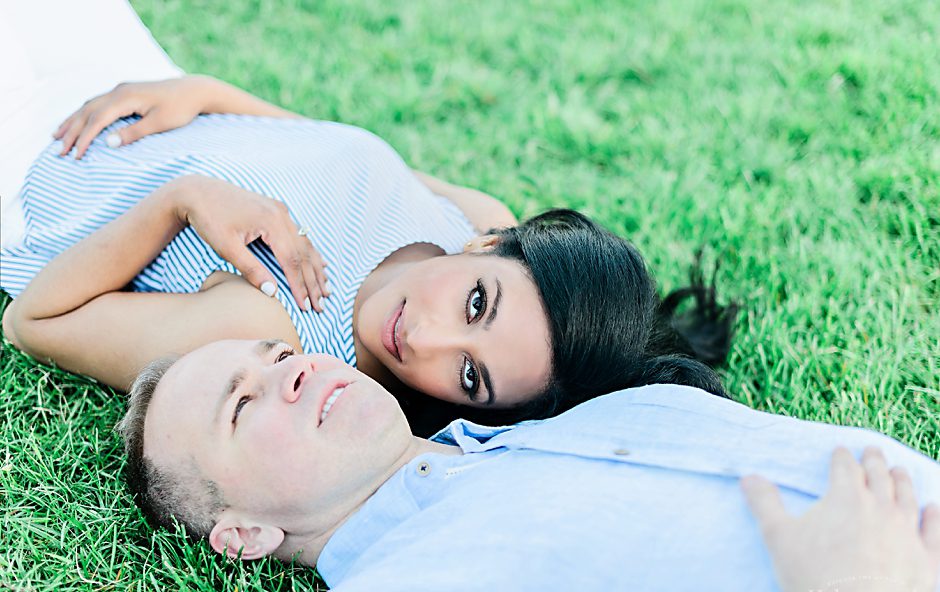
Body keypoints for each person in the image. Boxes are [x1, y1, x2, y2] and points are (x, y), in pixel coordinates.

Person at [1, 74, 736, 433]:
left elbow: (35, 320)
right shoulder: (470, 216)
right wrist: (204, 92)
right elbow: (318, 146)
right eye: (477, 302)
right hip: (110, 81)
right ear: (495, 245)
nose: (424, 337)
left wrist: (183, 199)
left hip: (31, 166)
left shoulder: (276, 337)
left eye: (470, 375)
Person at [119, 338, 940, 592]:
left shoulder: (563, 413)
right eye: (241, 404)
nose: (290, 374)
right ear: (244, 533)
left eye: (277, 354)